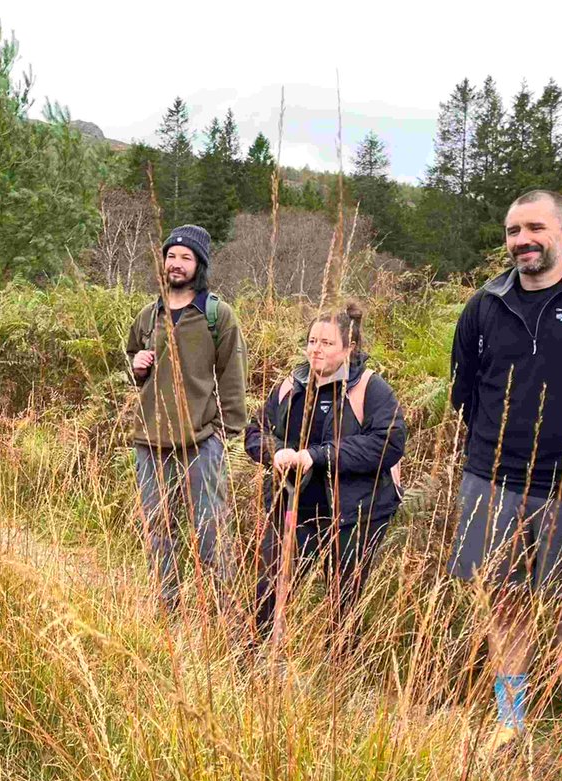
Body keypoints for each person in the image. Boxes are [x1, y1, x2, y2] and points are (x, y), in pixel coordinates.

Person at [449, 189, 562, 781]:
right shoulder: (484, 306)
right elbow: (465, 393)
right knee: (505, 606)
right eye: (514, 230)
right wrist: (494, 456)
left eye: (535, 227)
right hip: (495, 482)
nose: (522, 240)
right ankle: (509, 727)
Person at [245, 304, 405, 650]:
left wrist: (317, 456)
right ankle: (257, 659)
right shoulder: (291, 387)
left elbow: (388, 443)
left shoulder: (370, 389)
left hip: (353, 515)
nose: (316, 349)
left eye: (327, 343)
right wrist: (275, 452)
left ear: (349, 348)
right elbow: (255, 431)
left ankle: (340, 669)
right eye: (312, 341)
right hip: (293, 507)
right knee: (270, 589)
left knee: (344, 601)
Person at [125, 225, 247, 611]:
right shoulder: (149, 315)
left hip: (201, 441)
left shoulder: (216, 315)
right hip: (150, 441)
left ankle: (225, 612)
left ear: (199, 265)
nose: (176, 264)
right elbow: (132, 360)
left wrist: (225, 433)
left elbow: (233, 376)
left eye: (186, 258)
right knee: (158, 530)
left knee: (210, 531)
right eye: (171, 256)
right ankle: (168, 608)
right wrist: (136, 366)